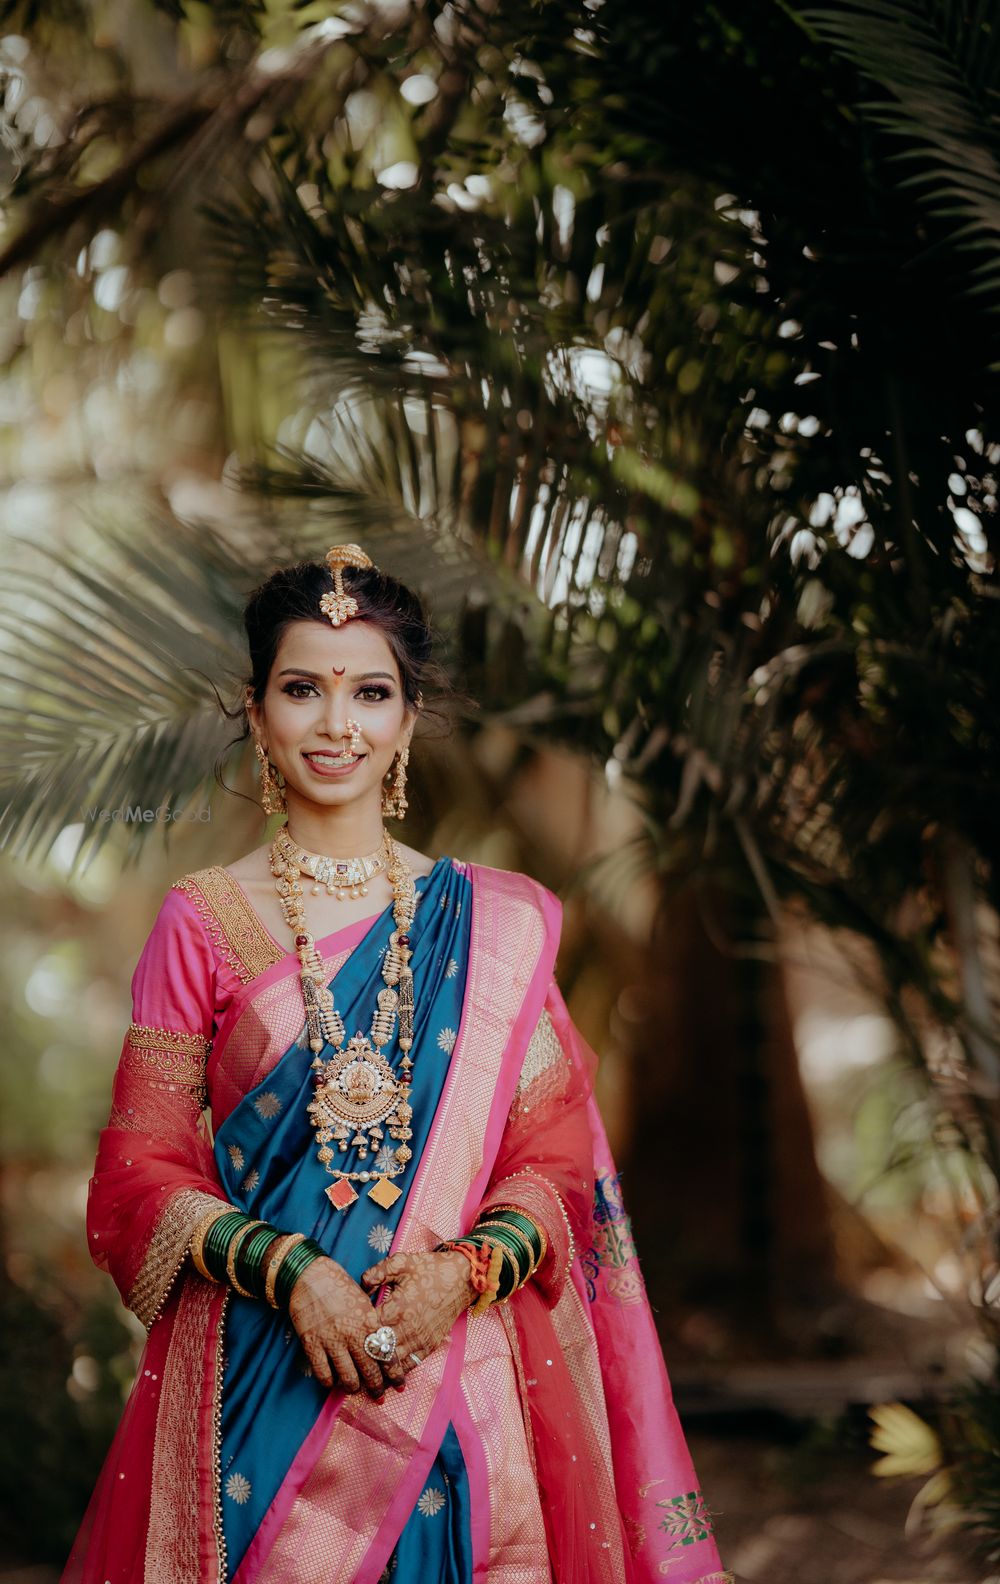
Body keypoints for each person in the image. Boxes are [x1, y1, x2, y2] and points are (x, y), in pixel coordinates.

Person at [63, 544, 731, 1584]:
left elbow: (552, 1166)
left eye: (370, 692)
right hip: (262, 1388)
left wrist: (462, 1274)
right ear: (254, 709)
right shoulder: (202, 922)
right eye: (302, 689)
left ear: (409, 717)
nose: (338, 724)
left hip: (461, 1382)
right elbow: (138, 1173)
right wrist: (293, 1271)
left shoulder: (495, 923)